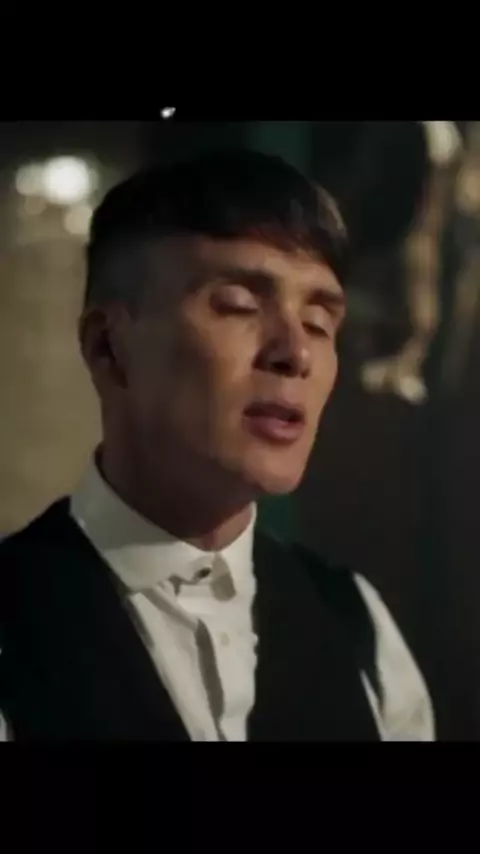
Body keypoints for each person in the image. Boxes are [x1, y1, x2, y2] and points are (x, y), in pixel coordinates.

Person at [0, 150, 434, 741]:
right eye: (238, 305)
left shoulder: (359, 625)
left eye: (319, 323)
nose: (295, 353)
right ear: (109, 348)